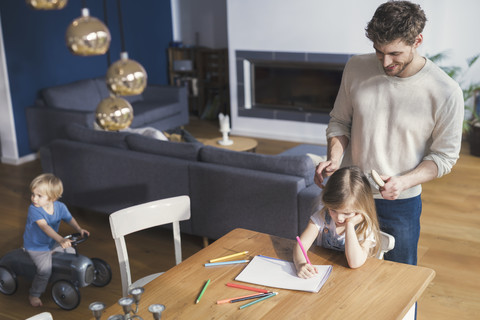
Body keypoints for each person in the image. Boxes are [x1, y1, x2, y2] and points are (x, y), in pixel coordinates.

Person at [314, 1, 464, 266]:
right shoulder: (355, 67)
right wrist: (335, 158)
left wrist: (403, 181)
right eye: (378, 51)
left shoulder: (445, 91)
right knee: (342, 271)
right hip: (350, 198)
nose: (385, 62)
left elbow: (443, 157)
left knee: (400, 277)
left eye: (394, 53)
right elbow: (339, 122)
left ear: (417, 40)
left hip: (400, 203)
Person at [294, 166, 381, 278]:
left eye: (347, 213)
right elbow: (301, 245)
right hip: (324, 275)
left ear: (361, 209)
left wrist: (350, 225)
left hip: (353, 280)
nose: (339, 218)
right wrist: (300, 264)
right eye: (333, 210)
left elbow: (354, 263)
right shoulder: (322, 217)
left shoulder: (364, 227)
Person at [23, 173, 90, 307]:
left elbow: (69, 218)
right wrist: (60, 239)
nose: (34, 198)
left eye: (39, 196)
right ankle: (34, 294)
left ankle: (63, 275)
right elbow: (44, 227)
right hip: (37, 247)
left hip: (50, 243)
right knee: (44, 271)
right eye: (33, 194)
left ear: (52, 198)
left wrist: (79, 229)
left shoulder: (60, 207)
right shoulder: (34, 210)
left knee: (70, 251)